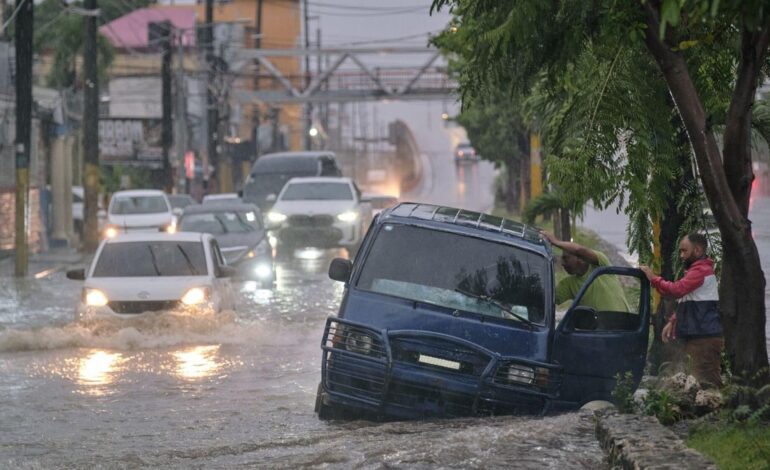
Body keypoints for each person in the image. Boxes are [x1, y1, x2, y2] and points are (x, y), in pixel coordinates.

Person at [639, 233, 723, 387]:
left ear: (697, 250)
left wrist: (653, 278)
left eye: (684, 251)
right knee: (696, 383)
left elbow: (677, 290)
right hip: (698, 336)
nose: (681, 255)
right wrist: (673, 321)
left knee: (708, 384)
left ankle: (723, 410)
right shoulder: (696, 270)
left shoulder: (701, 271)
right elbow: (689, 300)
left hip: (703, 338)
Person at [541, 231, 630, 313]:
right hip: (600, 329)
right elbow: (547, 299)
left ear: (579, 258)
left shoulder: (601, 264)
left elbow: (579, 250)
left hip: (625, 326)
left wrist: (556, 242)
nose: (563, 263)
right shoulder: (569, 284)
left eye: (566, 258)